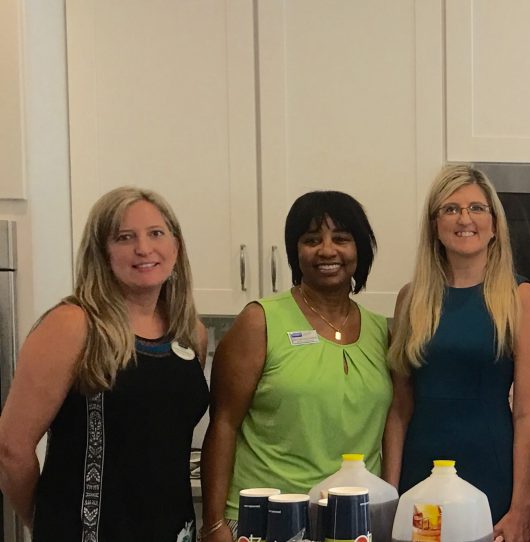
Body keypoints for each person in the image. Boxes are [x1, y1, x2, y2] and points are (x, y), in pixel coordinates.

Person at [0, 187, 208, 540]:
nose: (144, 248)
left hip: (173, 530)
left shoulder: (190, 334)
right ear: (102, 253)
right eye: (125, 237)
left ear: (175, 245)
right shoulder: (73, 325)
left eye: (156, 233)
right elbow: (10, 448)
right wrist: (47, 520)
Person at [200, 191, 391, 541]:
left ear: (360, 249)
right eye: (312, 240)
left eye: (342, 239)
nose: (327, 250)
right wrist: (214, 524)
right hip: (268, 518)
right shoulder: (260, 321)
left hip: (352, 522)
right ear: (295, 251)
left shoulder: (382, 332)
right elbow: (223, 424)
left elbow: (391, 428)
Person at [385, 164, 530, 542]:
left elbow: (527, 412)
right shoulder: (412, 299)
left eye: (476, 208)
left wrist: (522, 505)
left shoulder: (520, 298)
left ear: (494, 225)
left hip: (490, 465)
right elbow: (399, 407)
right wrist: (389, 496)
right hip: (420, 469)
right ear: (435, 225)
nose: (464, 219)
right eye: (451, 209)